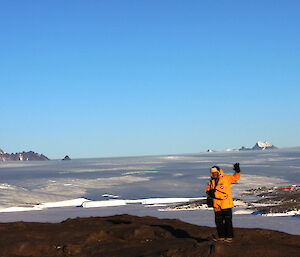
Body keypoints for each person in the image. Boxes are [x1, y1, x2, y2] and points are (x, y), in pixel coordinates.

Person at [205, 163, 241, 242]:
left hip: (226, 204)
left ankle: (229, 237)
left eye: (215, 172)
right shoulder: (211, 182)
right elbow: (207, 190)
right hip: (216, 206)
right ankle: (221, 237)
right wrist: (209, 193)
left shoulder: (226, 178)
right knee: (218, 222)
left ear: (219, 172)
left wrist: (237, 171)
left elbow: (235, 178)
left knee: (228, 222)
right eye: (213, 173)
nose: (214, 174)